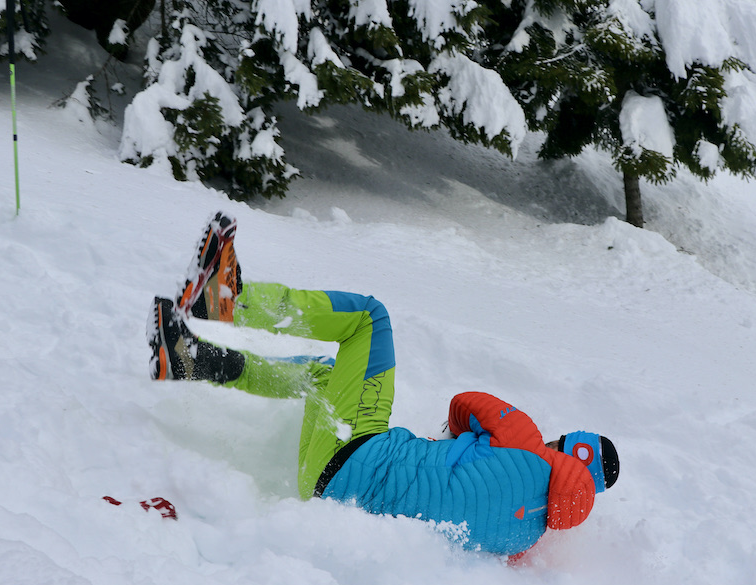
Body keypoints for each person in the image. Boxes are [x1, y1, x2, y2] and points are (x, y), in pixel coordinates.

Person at [148, 212, 620, 557]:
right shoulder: (522, 542)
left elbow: (464, 404)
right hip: (327, 491)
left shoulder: (527, 444)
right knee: (325, 379)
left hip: (358, 452)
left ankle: (230, 297)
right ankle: (192, 360)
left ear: (567, 450)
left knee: (370, 319)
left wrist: (469, 439)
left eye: (561, 441)